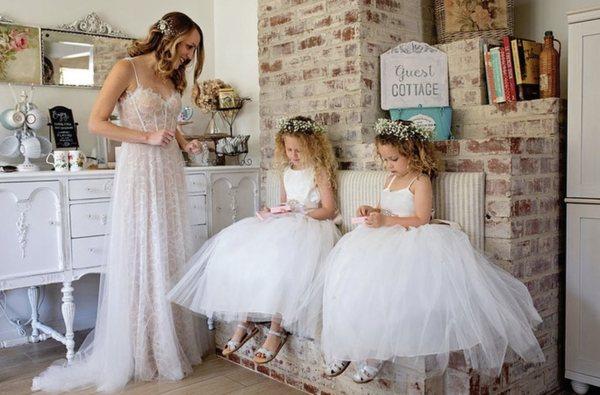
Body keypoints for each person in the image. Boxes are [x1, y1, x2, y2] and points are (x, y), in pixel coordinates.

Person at [33, 12, 210, 392]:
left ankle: (167, 341)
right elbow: (96, 122)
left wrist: (184, 142)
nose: (191, 56)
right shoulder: (126, 68)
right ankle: (139, 347)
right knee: (142, 251)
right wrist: (144, 138)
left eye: (195, 49)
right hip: (139, 170)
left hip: (169, 172)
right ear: (171, 37)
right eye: (188, 46)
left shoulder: (171, 75)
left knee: (167, 249)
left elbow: (169, 120)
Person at [318, 119, 545, 383]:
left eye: (393, 159)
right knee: (350, 284)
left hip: (410, 240)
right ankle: (349, 344)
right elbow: (384, 209)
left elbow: (421, 219)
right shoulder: (390, 178)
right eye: (385, 159)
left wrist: (385, 221)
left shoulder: (419, 180)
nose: (388, 165)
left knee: (387, 293)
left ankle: (375, 355)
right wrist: (371, 211)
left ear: (413, 153)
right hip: (380, 238)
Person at [169, 116, 340, 364]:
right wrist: (274, 211)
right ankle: (245, 321)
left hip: (311, 224)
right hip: (287, 223)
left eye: (298, 150)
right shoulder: (286, 172)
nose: (293, 155)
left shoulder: (319, 171)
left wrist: (300, 212)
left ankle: (276, 328)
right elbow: (284, 203)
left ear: (313, 147)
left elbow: (329, 210)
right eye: (289, 149)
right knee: (244, 253)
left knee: (283, 263)